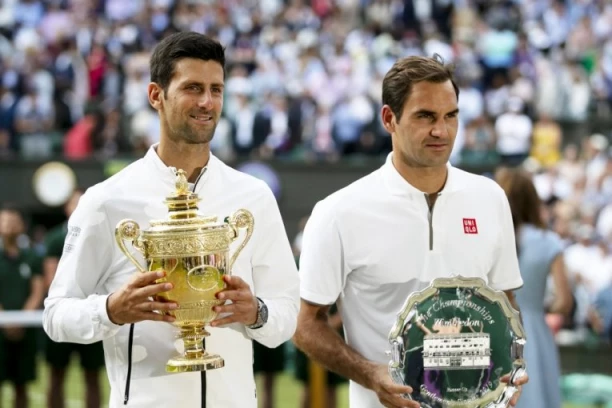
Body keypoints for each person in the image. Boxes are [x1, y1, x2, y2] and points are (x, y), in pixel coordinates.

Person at [42, 32, 300, 408]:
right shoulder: (107, 199)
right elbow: (56, 315)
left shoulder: (254, 196)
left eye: (216, 90)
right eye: (193, 88)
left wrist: (256, 312)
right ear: (155, 95)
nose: (207, 102)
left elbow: (287, 312)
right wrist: (111, 310)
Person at [293, 55, 528, 408]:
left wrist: (512, 365)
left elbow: (505, 304)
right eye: (425, 116)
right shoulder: (337, 213)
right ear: (389, 118)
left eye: (451, 116)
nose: (441, 131)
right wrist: (370, 374)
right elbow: (305, 325)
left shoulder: (491, 198)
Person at [495, 167, 573, 408]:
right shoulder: (548, 241)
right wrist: (541, 306)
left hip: (494, 329)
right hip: (534, 332)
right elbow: (564, 302)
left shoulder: (490, 238)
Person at [43, 188, 105, 408]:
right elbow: (50, 277)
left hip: (93, 311)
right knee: (56, 373)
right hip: (65, 311)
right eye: (74, 203)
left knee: (93, 375)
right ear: (66, 207)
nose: (78, 207)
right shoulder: (55, 238)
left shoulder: (100, 235)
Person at [0, 205, 45, 408]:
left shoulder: (32, 257)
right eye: (4, 221)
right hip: (1, 332)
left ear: (21, 226)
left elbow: (37, 291)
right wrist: (5, 321)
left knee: (22, 386)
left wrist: (20, 320)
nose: (9, 226)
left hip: (25, 331)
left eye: (13, 221)